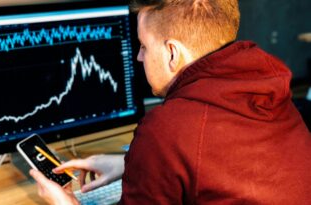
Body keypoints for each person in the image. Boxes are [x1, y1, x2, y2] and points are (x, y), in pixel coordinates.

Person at [30, 0, 311, 204]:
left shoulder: (169, 128)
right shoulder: (271, 93)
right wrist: (132, 164)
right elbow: (222, 164)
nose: (139, 57)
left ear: (172, 53)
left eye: (143, 46)